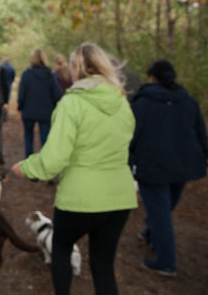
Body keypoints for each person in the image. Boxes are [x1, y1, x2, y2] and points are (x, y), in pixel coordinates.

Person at [11, 42, 138, 295]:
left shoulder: (72, 103)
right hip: (119, 198)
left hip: (80, 199)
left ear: (77, 67)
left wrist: (25, 167)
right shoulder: (122, 102)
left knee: (60, 251)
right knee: (103, 266)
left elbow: (53, 160)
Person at [129, 60, 208, 276]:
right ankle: (149, 233)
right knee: (165, 206)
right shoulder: (188, 101)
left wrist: (129, 160)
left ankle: (165, 262)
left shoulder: (142, 103)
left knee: (161, 211)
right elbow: (200, 133)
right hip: (182, 165)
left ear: (152, 78)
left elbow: (131, 135)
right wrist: (203, 158)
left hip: (152, 165)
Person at [17, 49, 62, 158]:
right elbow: (58, 94)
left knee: (28, 137)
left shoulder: (26, 74)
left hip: (28, 111)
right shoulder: (50, 75)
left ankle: (29, 162)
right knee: (45, 138)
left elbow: (21, 94)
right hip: (45, 112)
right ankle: (44, 164)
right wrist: (54, 105)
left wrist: (20, 106)